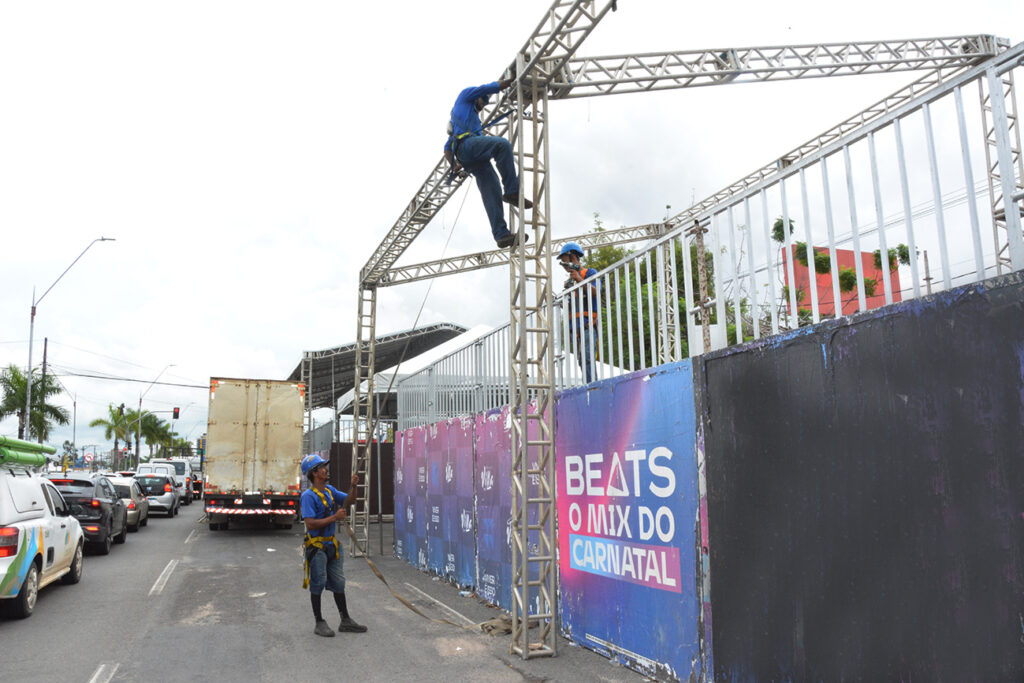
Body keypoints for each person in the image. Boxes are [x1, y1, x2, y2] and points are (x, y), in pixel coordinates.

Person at [444, 77, 533, 249]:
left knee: (492, 191)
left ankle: (501, 235)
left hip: (473, 159)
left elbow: (447, 148)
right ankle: (512, 192)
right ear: (477, 97)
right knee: (502, 145)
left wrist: (454, 166)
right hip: (467, 147)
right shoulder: (464, 97)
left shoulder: (470, 120)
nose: (482, 105)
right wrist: (506, 82)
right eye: (482, 101)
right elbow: (487, 88)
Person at [299, 454, 367, 638]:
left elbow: (350, 501)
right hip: (317, 548)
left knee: (338, 582)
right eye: (321, 468)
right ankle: (319, 621)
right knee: (318, 582)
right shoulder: (308, 497)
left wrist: (354, 486)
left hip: (331, 546)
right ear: (314, 473)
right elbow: (310, 524)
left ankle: (345, 619)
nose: (325, 470)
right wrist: (334, 518)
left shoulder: (329, 490)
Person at [559, 242, 600, 383]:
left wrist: (579, 280)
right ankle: (588, 384)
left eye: (565, 261)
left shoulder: (590, 273)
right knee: (582, 360)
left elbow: (596, 292)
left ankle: (593, 386)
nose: (564, 265)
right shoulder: (569, 281)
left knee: (588, 358)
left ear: (573, 257)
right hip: (575, 328)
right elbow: (570, 305)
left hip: (588, 324)